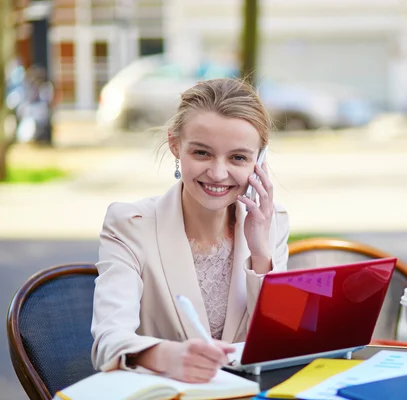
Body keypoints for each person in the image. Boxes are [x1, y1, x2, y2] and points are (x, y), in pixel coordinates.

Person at [91, 78, 290, 383]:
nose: (218, 173)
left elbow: (282, 344)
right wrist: (165, 356)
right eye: (202, 153)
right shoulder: (130, 225)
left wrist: (261, 254)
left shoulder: (271, 222)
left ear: (258, 161)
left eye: (238, 157)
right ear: (175, 145)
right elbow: (108, 342)